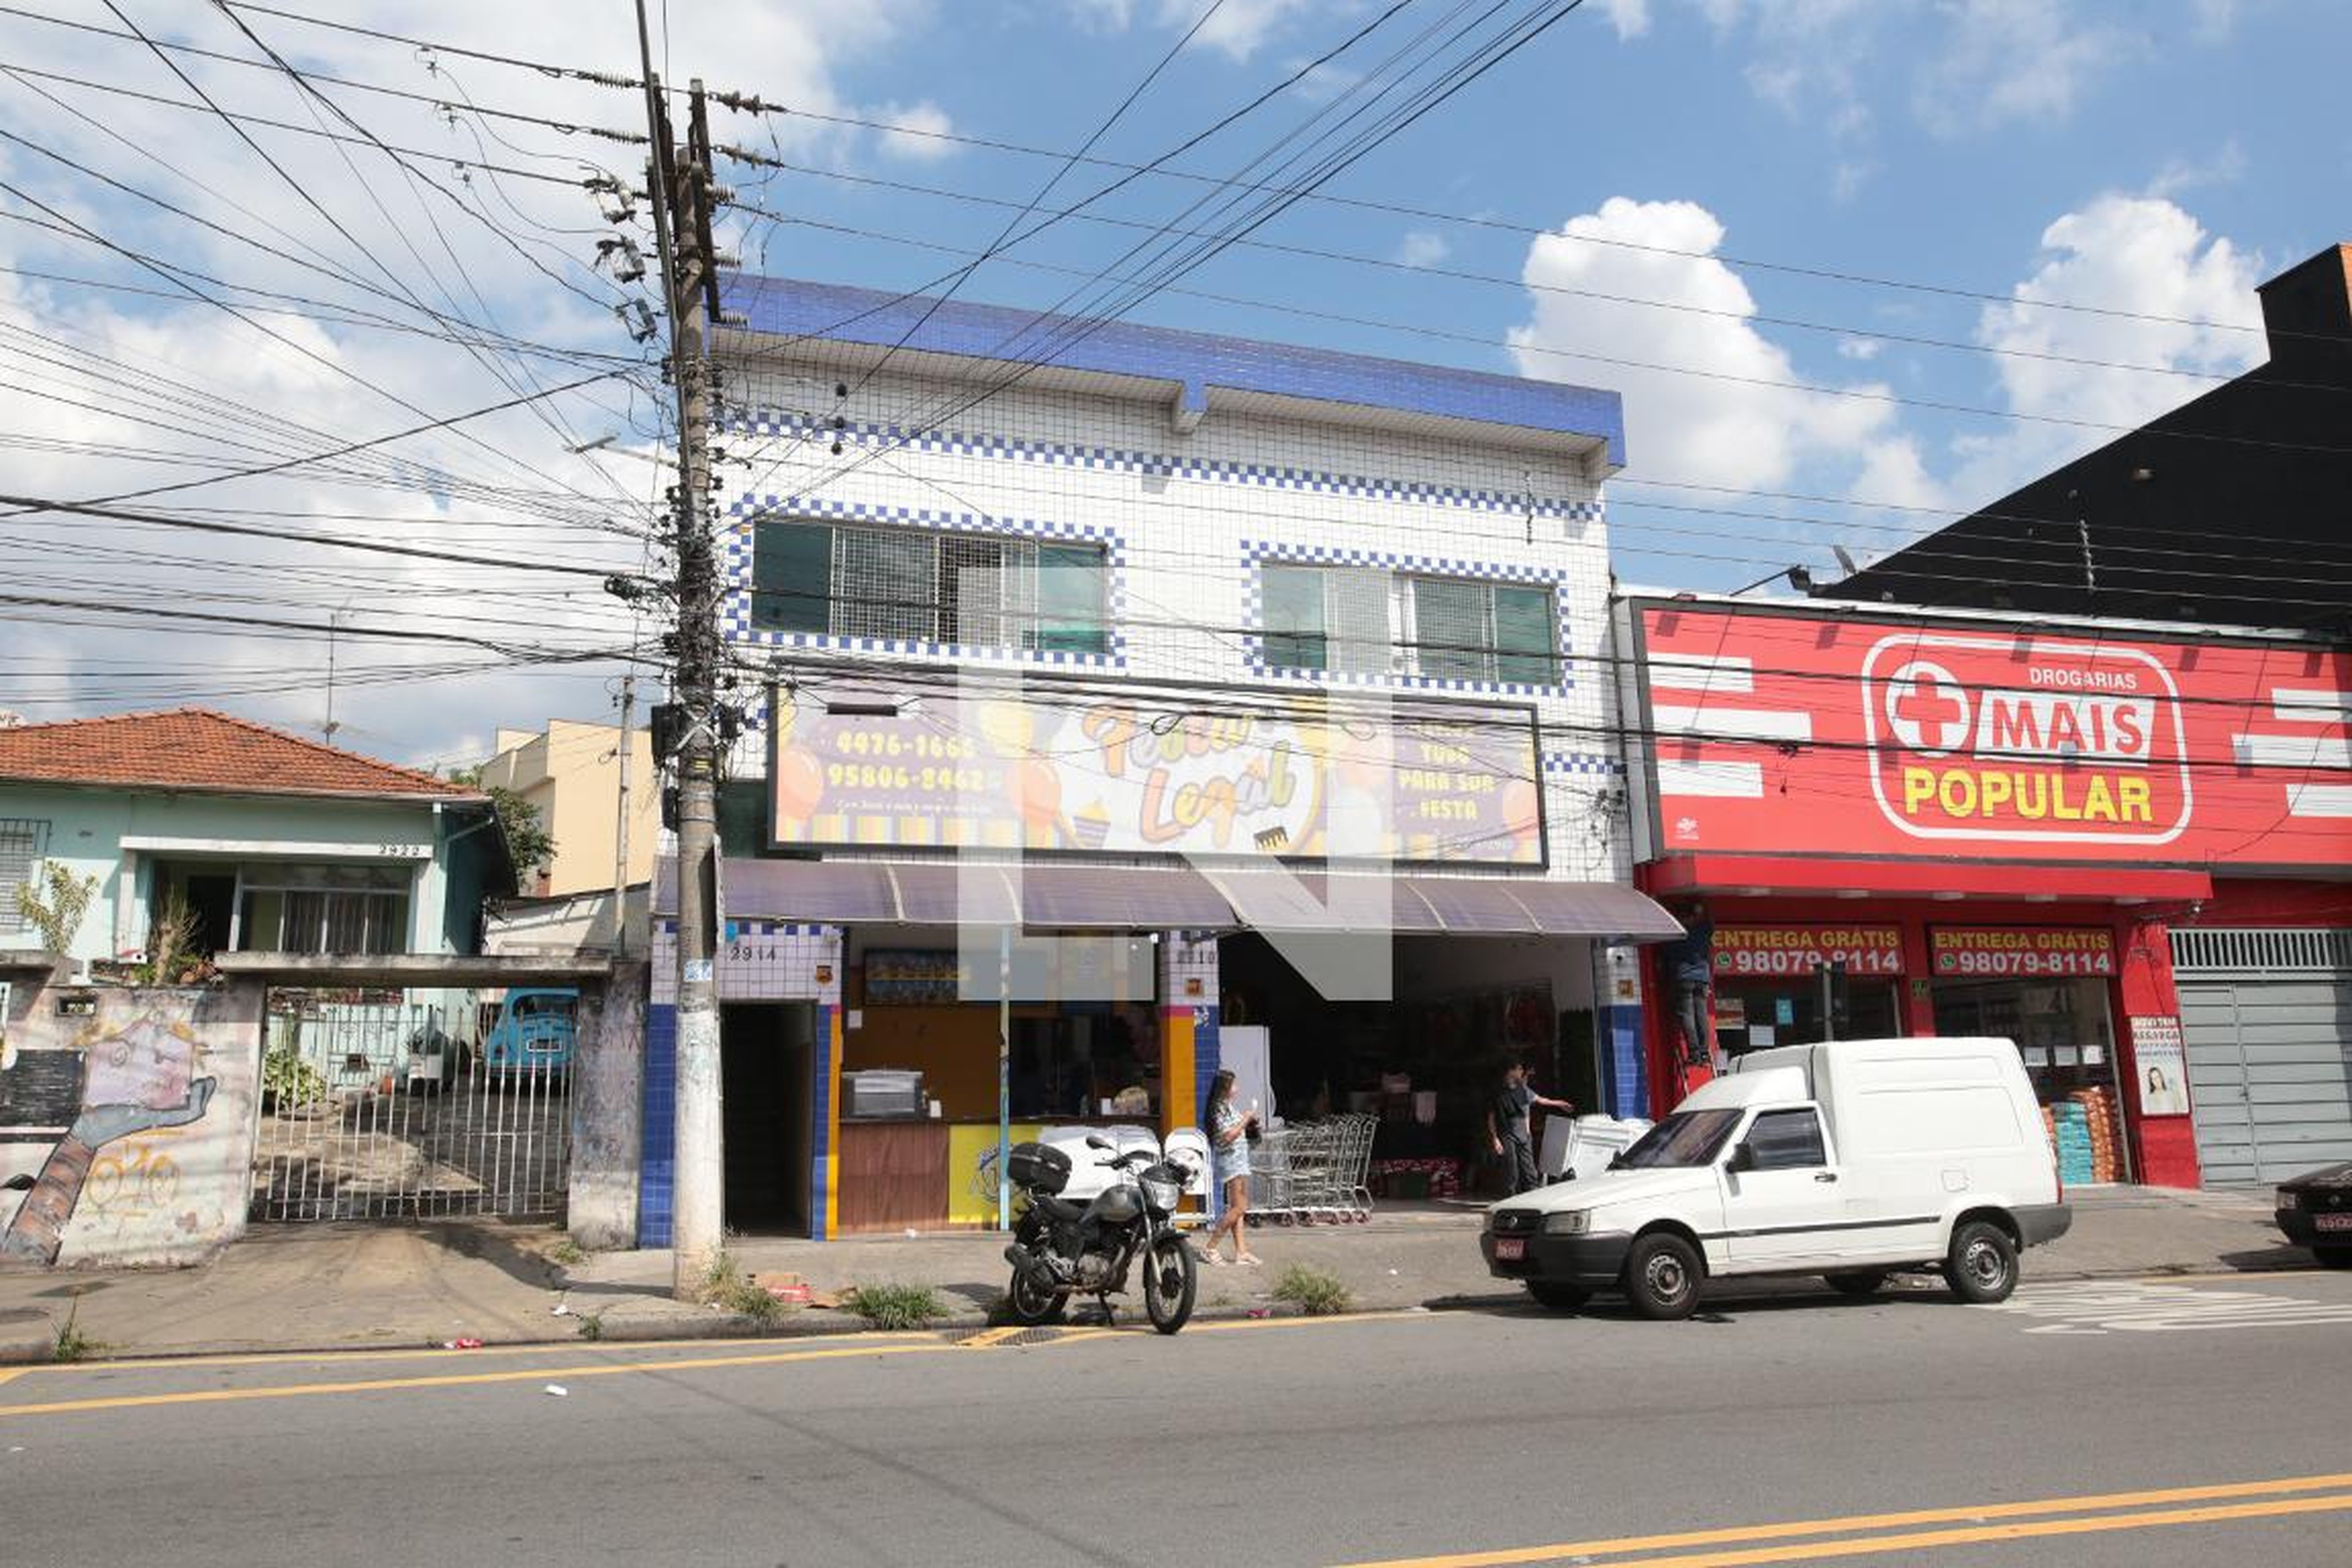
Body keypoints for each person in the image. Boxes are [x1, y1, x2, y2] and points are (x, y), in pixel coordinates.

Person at [1198, 1069, 1261, 1266]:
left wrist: (1249, 1122)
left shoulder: (1227, 1107)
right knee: (1240, 1207)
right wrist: (1246, 1118)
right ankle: (1210, 1247)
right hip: (1231, 1162)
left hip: (1239, 1160)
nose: (1237, 1089)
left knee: (1238, 1208)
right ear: (1225, 1088)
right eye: (1234, 1085)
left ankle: (1241, 1252)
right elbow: (1228, 1136)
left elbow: (1236, 1130)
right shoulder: (1219, 1109)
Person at [1488, 1060, 1572, 1196]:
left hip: (1524, 1135)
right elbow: (1491, 1118)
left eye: (1522, 1070)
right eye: (1519, 1069)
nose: (1521, 1072)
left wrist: (1559, 1104)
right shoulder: (1498, 1094)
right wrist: (1495, 1138)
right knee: (1512, 1170)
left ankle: (1532, 1198)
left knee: (1529, 1170)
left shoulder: (1523, 1090)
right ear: (1510, 1071)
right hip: (1507, 1135)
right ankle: (1511, 1200)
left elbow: (1541, 1100)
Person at [1660, 903, 1717, 1069]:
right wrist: (1700, 908)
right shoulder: (1702, 931)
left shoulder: (1675, 936)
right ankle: (1705, 1053)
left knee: (1687, 1015)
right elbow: (1710, 923)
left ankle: (1694, 1054)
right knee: (1701, 1015)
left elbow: (1664, 953)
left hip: (1683, 978)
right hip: (1702, 979)